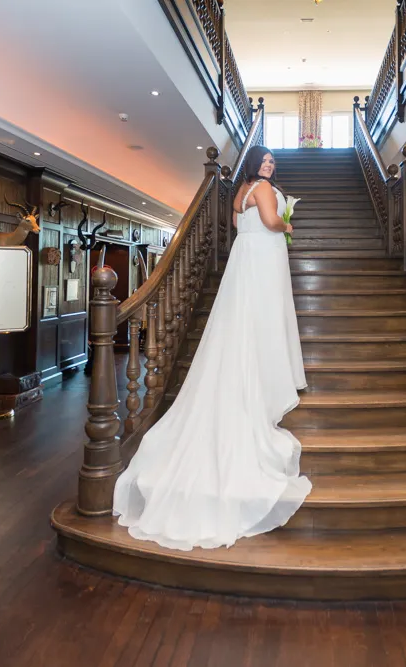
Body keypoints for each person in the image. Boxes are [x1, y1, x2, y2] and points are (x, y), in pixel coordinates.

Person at [113, 146, 310, 551]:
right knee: (263, 319)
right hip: (262, 261)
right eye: (266, 160)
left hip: (246, 261)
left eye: (273, 162)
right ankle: (265, 381)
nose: (271, 165)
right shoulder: (265, 190)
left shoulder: (240, 192)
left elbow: (242, 224)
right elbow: (272, 221)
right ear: (256, 163)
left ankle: (247, 373)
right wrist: (288, 226)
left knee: (243, 320)